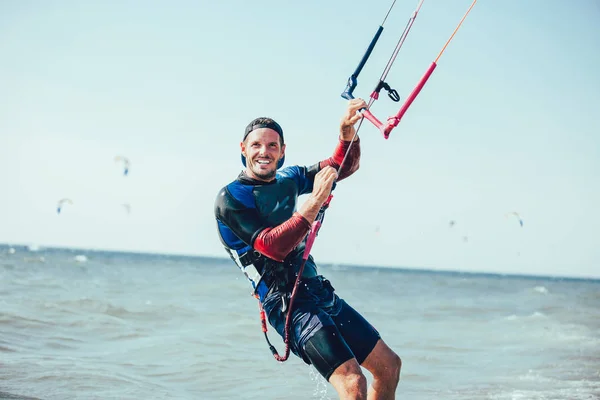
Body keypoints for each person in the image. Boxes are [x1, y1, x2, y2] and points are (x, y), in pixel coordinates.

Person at [214, 99, 401, 399]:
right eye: (257, 145)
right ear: (243, 148)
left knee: (389, 366)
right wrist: (313, 203)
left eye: (273, 146)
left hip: (316, 290)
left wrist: (346, 133)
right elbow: (272, 247)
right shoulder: (231, 199)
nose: (265, 152)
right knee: (353, 383)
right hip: (286, 303)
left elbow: (342, 167)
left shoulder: (290, 179)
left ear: (283, 151)